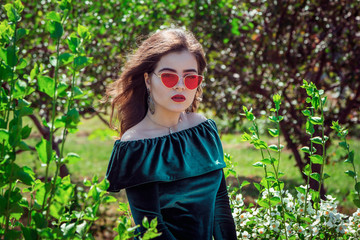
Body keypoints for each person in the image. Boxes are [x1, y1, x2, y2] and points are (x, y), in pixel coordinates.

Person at [105, 28, 237, 240]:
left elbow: (220, 207)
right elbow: (152, 230)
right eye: (168, 76)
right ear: (148, 80)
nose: (180, 86)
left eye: (190, 78)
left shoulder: (203, 129)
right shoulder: (137, 145)